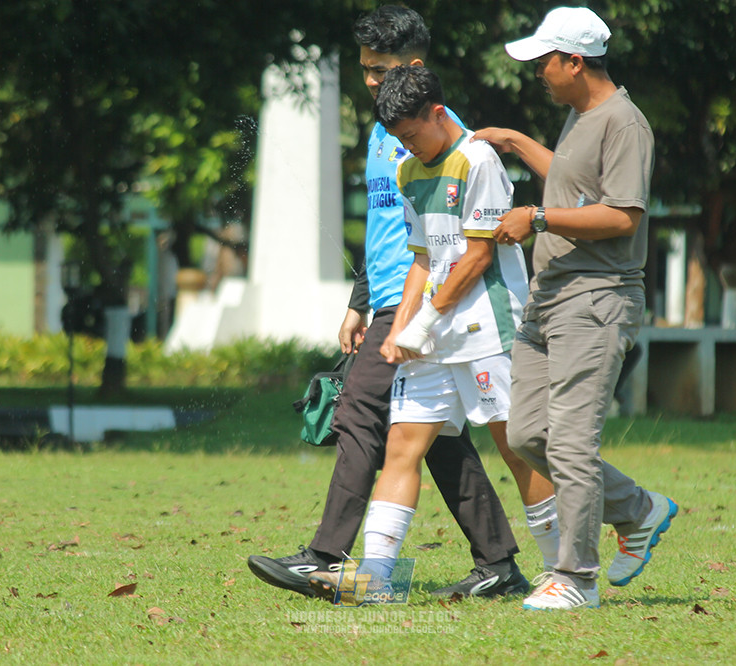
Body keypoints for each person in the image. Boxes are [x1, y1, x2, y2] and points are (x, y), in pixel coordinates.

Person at [248, 5, 556, 601]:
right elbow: (394, 231)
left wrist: (419, 315)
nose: (369, 81)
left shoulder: (447, 140)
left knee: (364, 413)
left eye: (379, 69)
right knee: (429, 439)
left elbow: (470, 252)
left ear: (415, 74)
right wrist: (360, 301)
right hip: (402, 302)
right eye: (363, 69)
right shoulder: (389, 133)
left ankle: (325, 556)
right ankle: (492, 562)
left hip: (451, 312)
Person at [473, 6, 677, 611]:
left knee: (568, 444)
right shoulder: (579, 117)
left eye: (544, 61)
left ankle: (576, 579)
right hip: (549, 299)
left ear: (575, 61)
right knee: (528, 433)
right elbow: (568, 178)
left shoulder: (624, 123)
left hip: (596, 301)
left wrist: (535, 218)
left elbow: (621, 216)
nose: (538, 71)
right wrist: (513, 142)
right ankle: (639, 510)